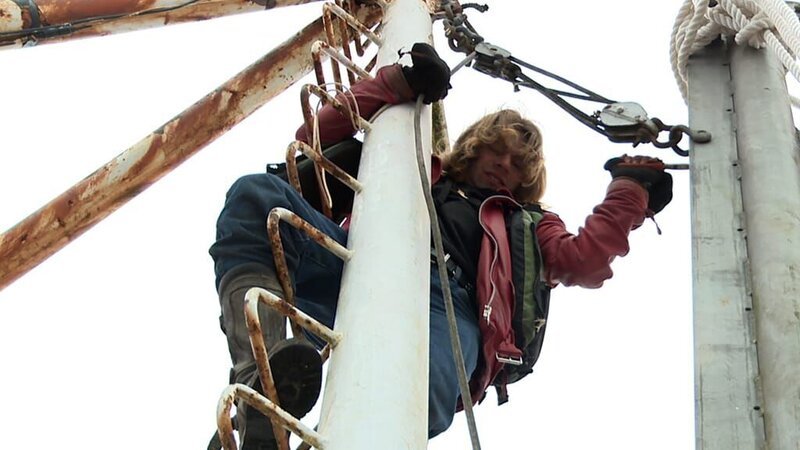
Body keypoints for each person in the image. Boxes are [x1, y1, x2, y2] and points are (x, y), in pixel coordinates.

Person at [209, 43, 672, 449]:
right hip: (362, 259)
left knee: (410, 397)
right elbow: (315, 137)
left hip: (451, 305)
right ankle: (261, 385)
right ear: (477, 145)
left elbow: (585, 261)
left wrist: (631, 188)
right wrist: (401, 82)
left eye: (518, 163)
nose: (504, 165)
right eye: (498, 149)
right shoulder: (405, 161)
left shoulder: (528, 223)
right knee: (256, 197)